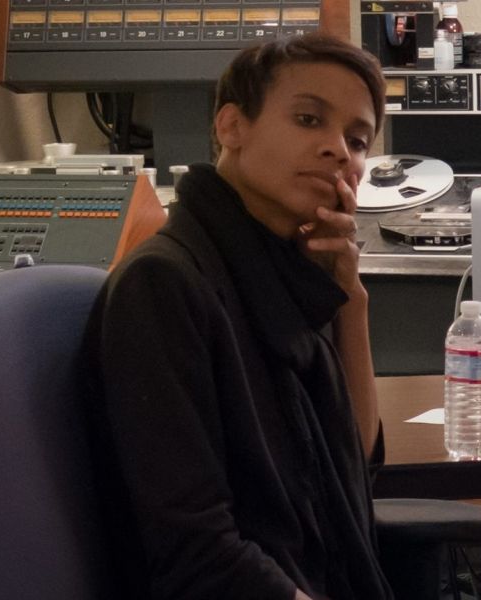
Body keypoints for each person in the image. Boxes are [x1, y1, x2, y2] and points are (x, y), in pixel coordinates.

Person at [86, 32, 393, 600]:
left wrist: (350, 297)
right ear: (232, 127)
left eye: (357, 140)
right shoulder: (165, 285)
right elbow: (199, 555)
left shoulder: (284, 274)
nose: (337, 150)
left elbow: (356, 462)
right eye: (308, 119)